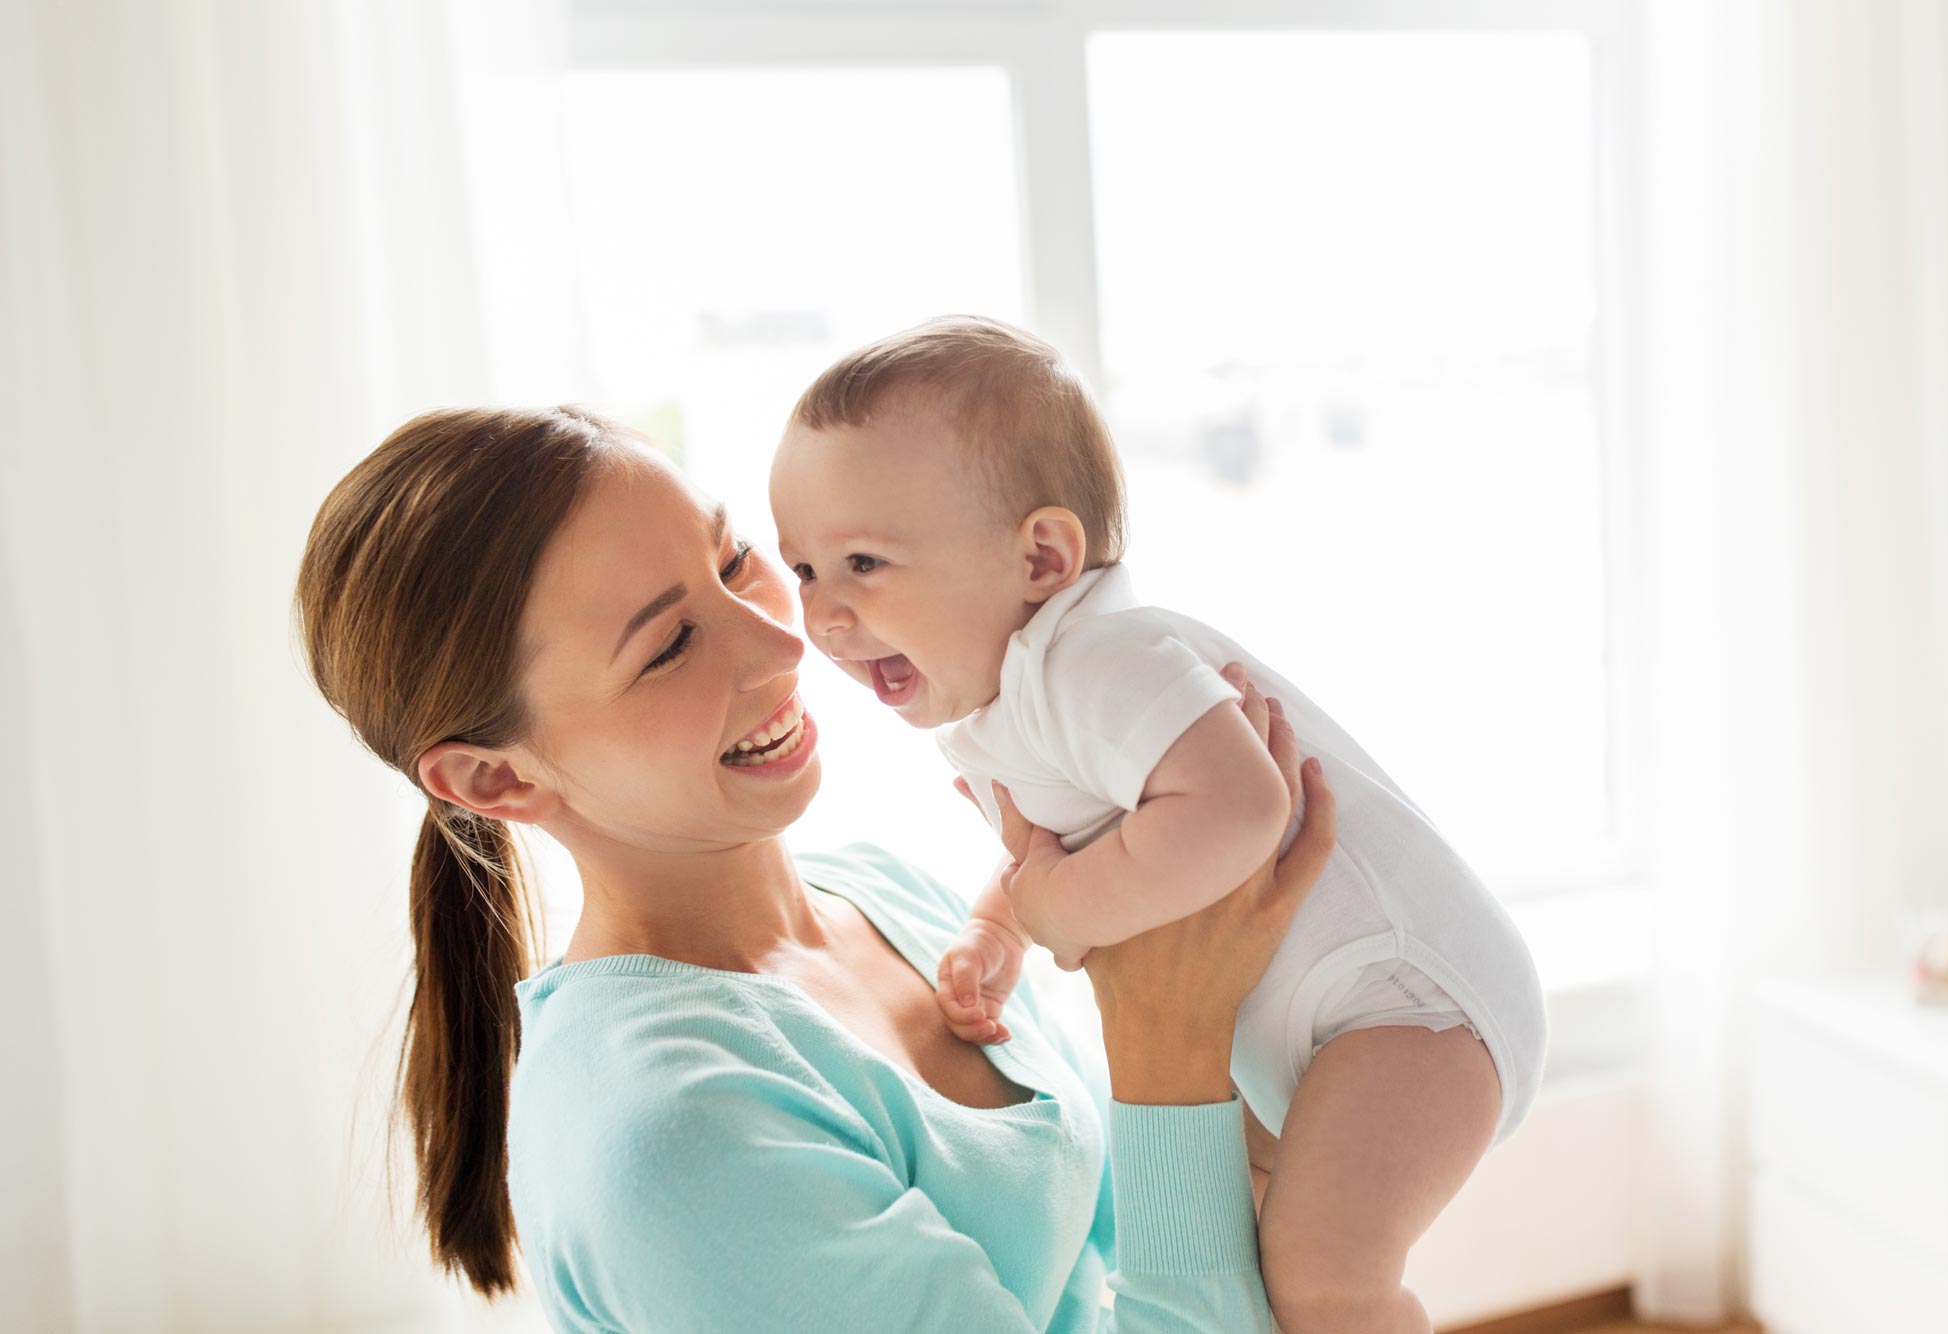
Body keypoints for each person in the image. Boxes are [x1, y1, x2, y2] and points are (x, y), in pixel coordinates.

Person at [292, 405, 1335, 1331]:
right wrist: (1167, 1037)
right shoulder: (678, 1145)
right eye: (668, 645)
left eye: (737, 557)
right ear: (492, 776)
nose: (780, 643)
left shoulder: (877, 894)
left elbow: (1128, 1246)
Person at [769, 317, 1549, 1332]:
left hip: (1409, 1006)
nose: (823, 614)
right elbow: (1080, 844)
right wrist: (999, 925)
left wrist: (1055, 902)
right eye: (802, 571)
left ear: (1042, 556)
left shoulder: (1100, 658)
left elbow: (1235, 807)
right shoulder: (1012, 700)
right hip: (1323, 1021)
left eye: (864, 562)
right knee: (1245, 1258)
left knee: (1322, 1277)